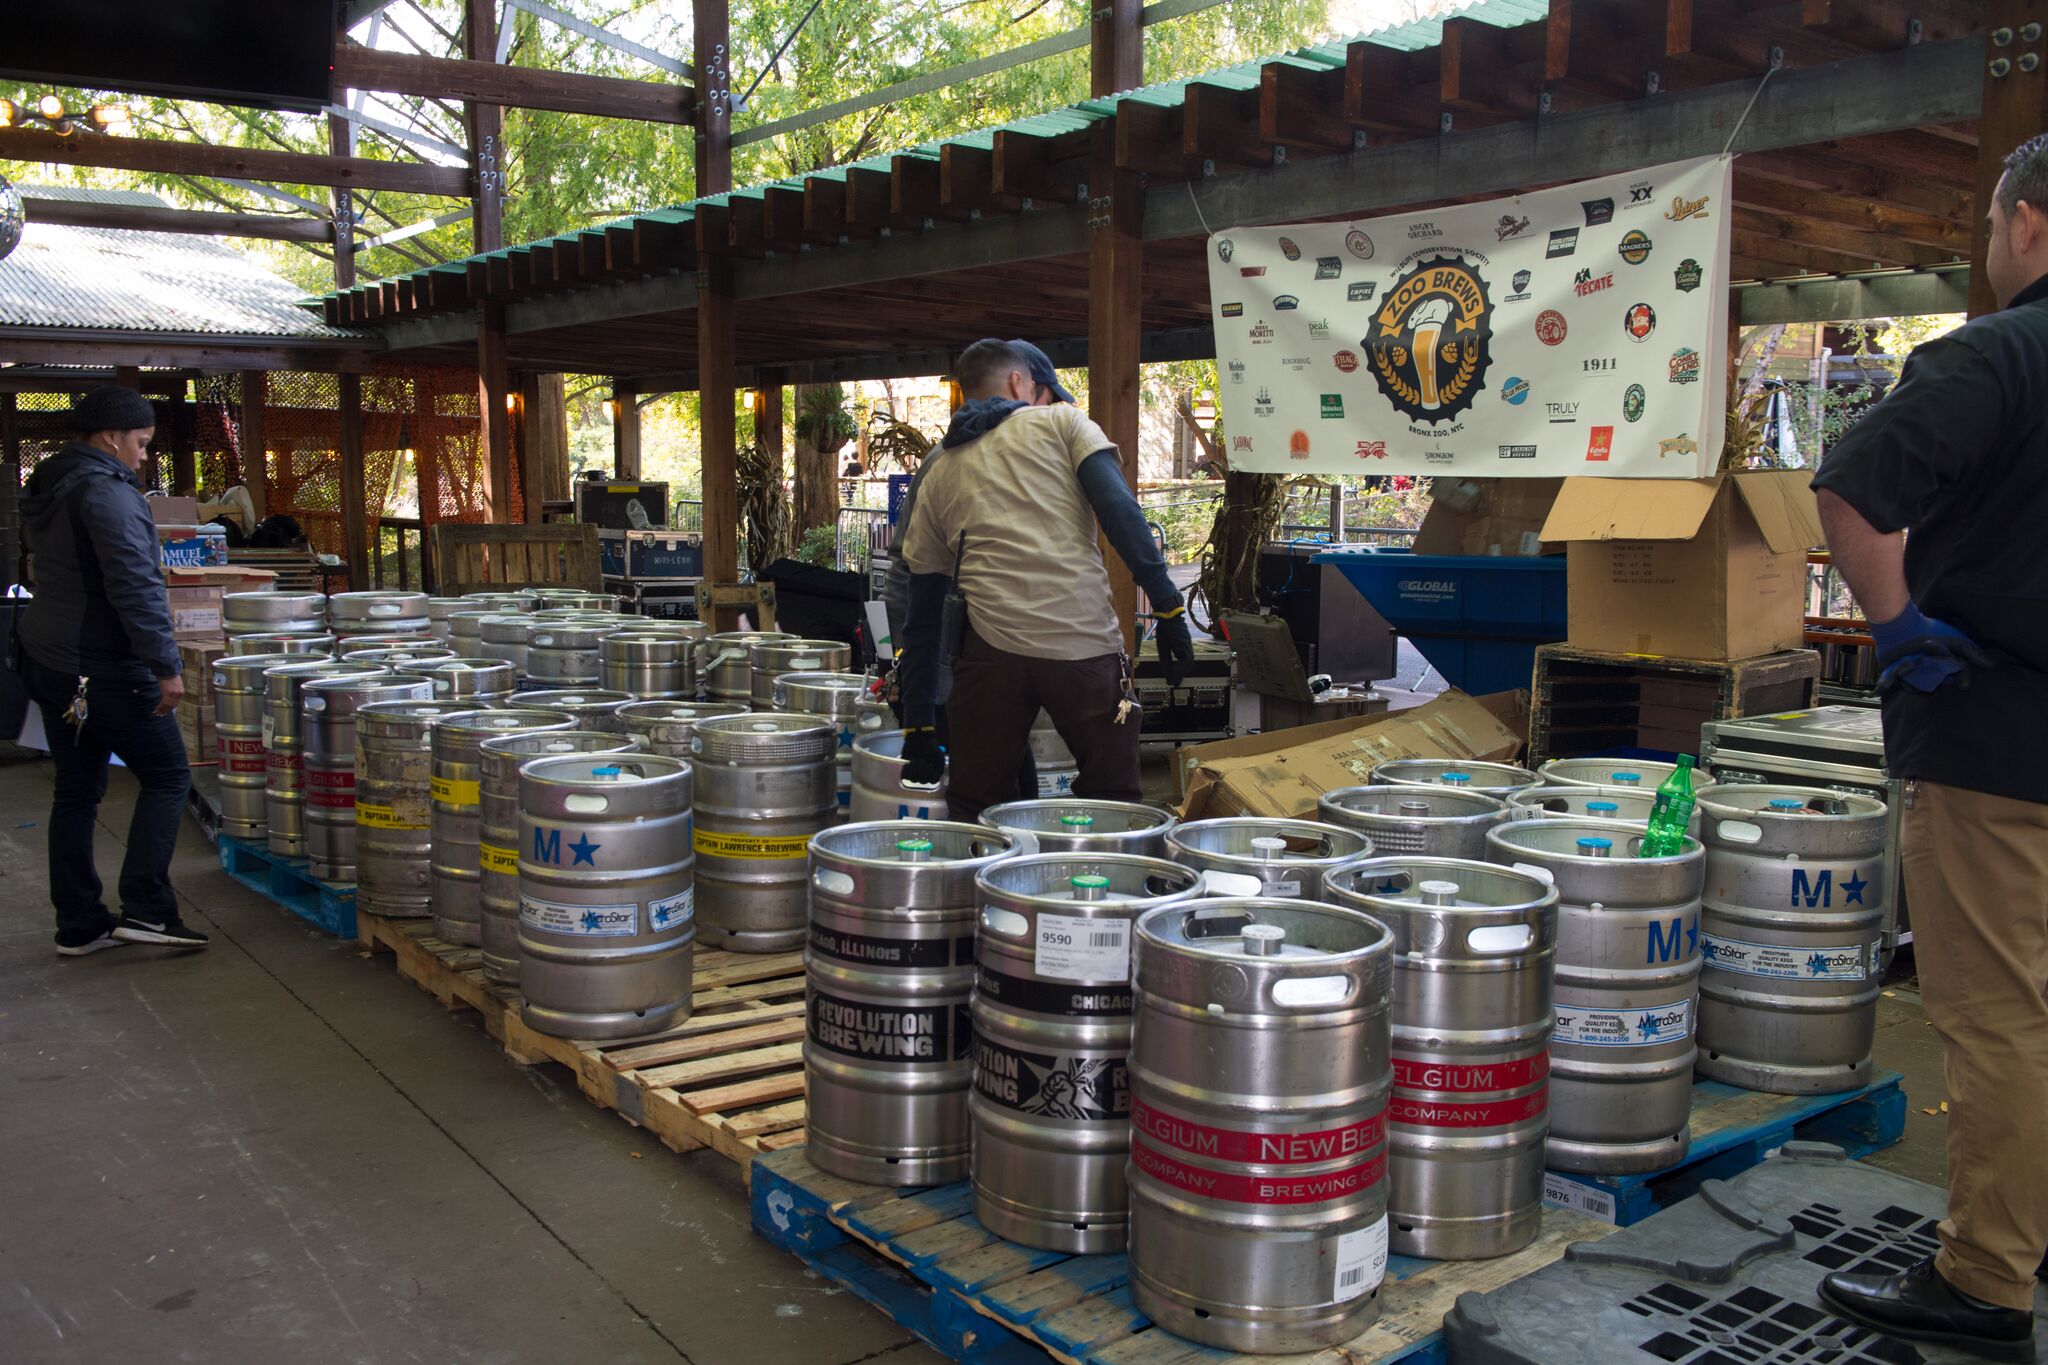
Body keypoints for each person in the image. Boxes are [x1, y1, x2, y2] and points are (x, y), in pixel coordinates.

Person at [1809, 133, 2046, 1360]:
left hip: (1995, 745)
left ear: (2026, 226)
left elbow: (1849, 482)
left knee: (1997, 1015)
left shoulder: (1998, 355)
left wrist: (1894, 626)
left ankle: (1987, 1280)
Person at [896, 339, 1193, 821]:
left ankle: (988, 892)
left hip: (991, 659)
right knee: (1113, 802)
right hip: (1081, 648)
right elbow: (1120, 512)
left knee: (977, 805)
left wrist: (918, 726)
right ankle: (1102, 889)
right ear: (1020, 383)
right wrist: (1167, 605)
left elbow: (923, 610)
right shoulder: (1062, 423)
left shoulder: (940, 468)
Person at [15, 385, 207, 956]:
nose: (145, 456)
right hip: (100, 666)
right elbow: (135, 585)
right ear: (111, 438)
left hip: (48, 656)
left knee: (76, 791)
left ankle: (79, 924)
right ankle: (147, 909)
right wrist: (165, 667)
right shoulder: (107, 493)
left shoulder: (50, 484)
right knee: (170, 775)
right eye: (142, 443)